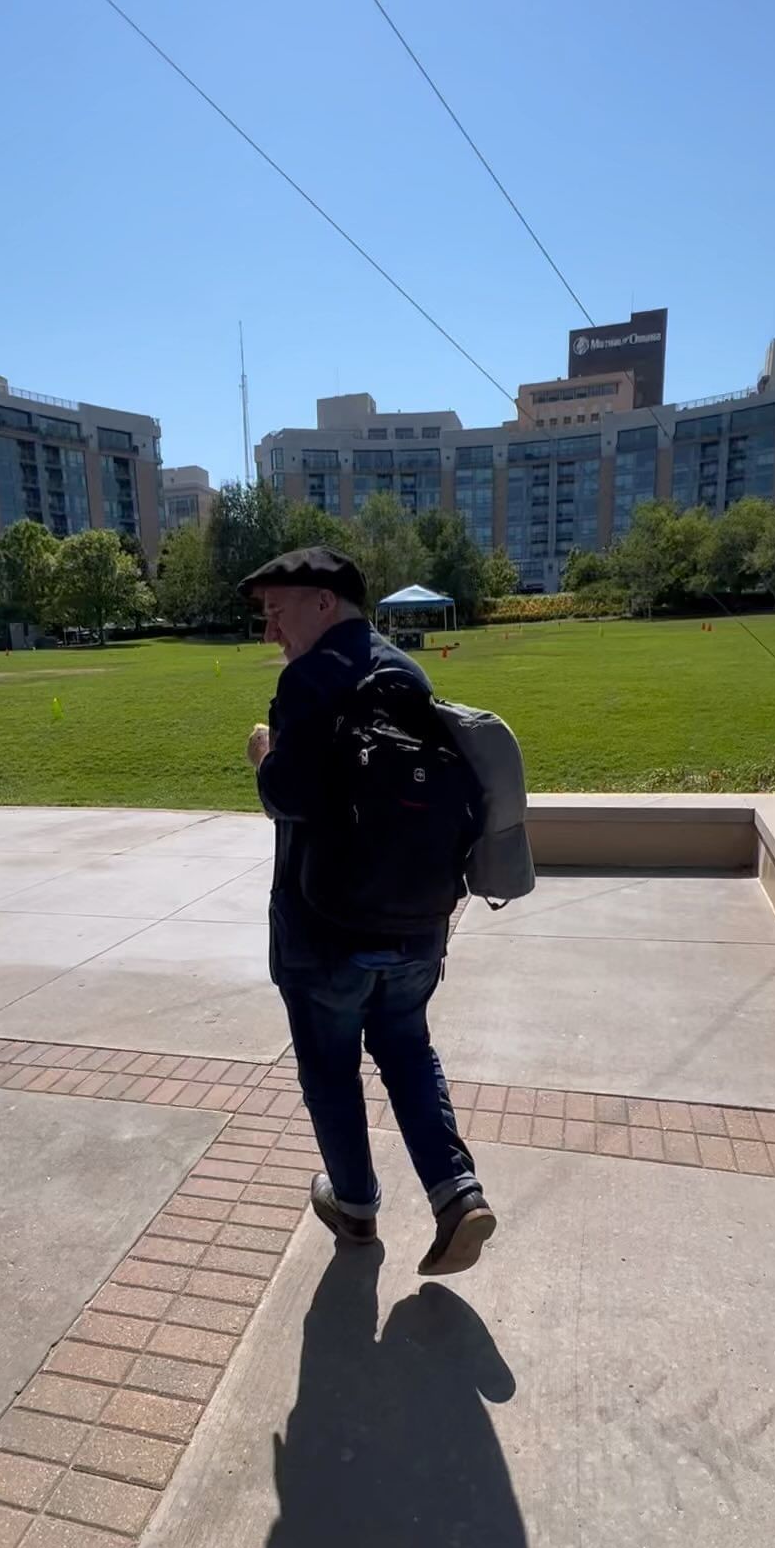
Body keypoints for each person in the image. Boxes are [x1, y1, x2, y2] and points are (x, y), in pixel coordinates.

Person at [243, 546, 494, 1278]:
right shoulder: (407, 673)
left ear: (325, 603)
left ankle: (354, 1203)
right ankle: (457, 1193)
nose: (271, 630)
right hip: (417, 923)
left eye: (278, 612)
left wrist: (264, 754)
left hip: (323, 930)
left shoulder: (309, 679)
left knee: (329, 1068)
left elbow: (285, 796)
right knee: (407, 1051)